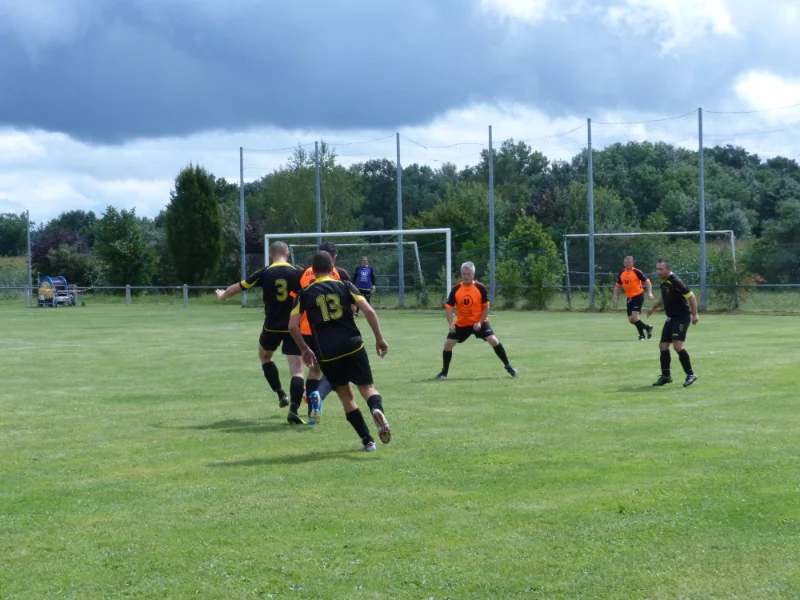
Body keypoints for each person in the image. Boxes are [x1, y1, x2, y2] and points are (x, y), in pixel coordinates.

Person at [289, 251, 391, 451]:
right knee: (367, 387)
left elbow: (292, 326)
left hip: (327, 352)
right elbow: (369, 311)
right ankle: (376, 409)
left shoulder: (304, 293)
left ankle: (368, 440)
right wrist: (380, 338)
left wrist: (304, 349)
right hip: (353, 344)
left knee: (346, 396)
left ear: (313, 269)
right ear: (332, 268)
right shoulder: (345, 285)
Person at [216, 241, 305, 417]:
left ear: (271, 255)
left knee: (265, 357)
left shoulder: (265, 272)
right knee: (297, 369)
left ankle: (280, 393)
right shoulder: (298, 272)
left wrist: (223, 296)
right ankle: (294, 409)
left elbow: (240, 286)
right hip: (293, 326)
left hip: (271, 326)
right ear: (287, 254)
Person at [292, 241, 351, 424]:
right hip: (330, 329)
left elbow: (294, 300)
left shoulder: (303, 273)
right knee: (340, 369)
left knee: (314, 370)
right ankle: (317, 396)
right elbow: (351, 303)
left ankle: (312, 413)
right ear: (333, 258)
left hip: (305, 328)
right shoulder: (339, 273)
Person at [435, 262, 517, 379]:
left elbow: (486, 307)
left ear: (473, 274)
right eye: (464, 274)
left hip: (479, 322)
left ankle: (509, 367)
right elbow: (448, 308)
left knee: (493, 340)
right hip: (462, 323)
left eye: (468, 274)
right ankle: (444, 372)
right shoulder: (456, 289)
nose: (466, 276)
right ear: (461, 274)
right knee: (447, 346)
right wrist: (451, 323)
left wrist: (480, 322)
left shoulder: (480, 287)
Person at [646, 258, 699, 387]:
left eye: (661, 269)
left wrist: (695, 314)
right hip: (671, 318)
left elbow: (691, 296)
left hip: (682, 317)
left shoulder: (676, 281)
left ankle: (691, 374)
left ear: (668, 269)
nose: (658, 271)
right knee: (663, 346)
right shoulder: (664, 283)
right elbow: (665, 298)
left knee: (677, 346)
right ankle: (666, 376)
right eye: (657, 268)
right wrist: (654, 307)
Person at [611, 255, 655, 340]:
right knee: (631, 320)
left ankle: (642, 336)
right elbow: (617, 285)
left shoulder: (637, 272)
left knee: (635, 318)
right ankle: (647, 328)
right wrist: (615, 295)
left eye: (629, 262)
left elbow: (648, 282)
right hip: (629, 298)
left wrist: (650, 293)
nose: (627, 264)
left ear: (633, 263)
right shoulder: (622, 273)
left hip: (638, 296)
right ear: (624, 263)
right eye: (626, 263)